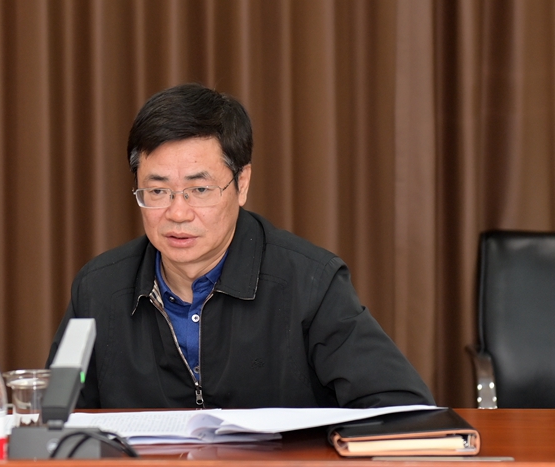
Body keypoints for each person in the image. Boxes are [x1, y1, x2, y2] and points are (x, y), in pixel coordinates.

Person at [46, 83, 435, 409]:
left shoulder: (310, 283)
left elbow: (399, 405)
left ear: (241, 183)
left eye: (199, 190)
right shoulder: (98, 289)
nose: (177, 213)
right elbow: (58, 419)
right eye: (158, 191)